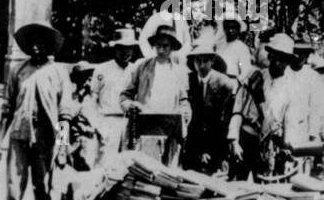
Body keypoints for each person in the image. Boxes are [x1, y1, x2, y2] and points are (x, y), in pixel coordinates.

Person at [0, 23, 67, 200]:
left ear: (48, 45)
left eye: (41, 42)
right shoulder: (18, 71)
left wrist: (63, 147)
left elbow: (65, 114)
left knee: (43, 193)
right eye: (32, 42)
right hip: (19, 137)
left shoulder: (57, 73)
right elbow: (7, 109)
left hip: (45, 140)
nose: (36, 46)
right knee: (14, 194)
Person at [230, 33, 308, 179]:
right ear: (270, 56)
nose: (278, 63)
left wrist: (287, 147)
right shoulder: (254, 77)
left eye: (283, 59)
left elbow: (290, 122)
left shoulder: (292, 88)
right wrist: (234, 141)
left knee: (267, 188)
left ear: (289, 61)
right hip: (246, 139)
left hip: (270, 143)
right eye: (276, 57)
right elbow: (237, 110)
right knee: (238, 185)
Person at [121, 24, 192, 165]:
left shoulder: (179, 72)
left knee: (168, 172)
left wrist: (185, 112)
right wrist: (131, 105)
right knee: (146, 169)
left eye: (165, 46)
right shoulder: (142, 67)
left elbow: (184, 100)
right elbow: (125, 96)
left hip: (170, 129)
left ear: (171, 47)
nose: (161, 50)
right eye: (158, 45)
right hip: (147, 128)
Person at [182, 38, 239, 174]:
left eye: (205, 61)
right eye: (198, 61)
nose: (201, 66)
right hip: (192, 146)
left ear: (212, 61)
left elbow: (226, 121)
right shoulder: (187, 81)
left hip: (216, 146)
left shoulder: (224, 83)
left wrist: (213, 152)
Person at [92, 28, 140, 157]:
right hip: (107, 121)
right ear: (115, 48)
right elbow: (93, 98)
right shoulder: (102, 69)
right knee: (106, 162)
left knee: (127, 164)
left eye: (129, 48)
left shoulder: (136, 70)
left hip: (129, 123)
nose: (126, 52)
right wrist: (97, 125)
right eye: (122, 48)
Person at [290, 38, 324, 142]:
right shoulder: (285, 72)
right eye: (296, 53)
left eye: (303, 53)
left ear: (307, 56)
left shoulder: (312, 76)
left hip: (302, 127)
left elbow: (315, 106)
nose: (299, 56)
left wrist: (313, 132)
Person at [216, 17, 255, 82]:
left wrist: (236, 82)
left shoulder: (242, 47)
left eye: (233, 28)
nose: (230, 30)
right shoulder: (219, 44)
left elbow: (246, 70)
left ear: (238, 30)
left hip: (231, 81)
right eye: (227, 27)